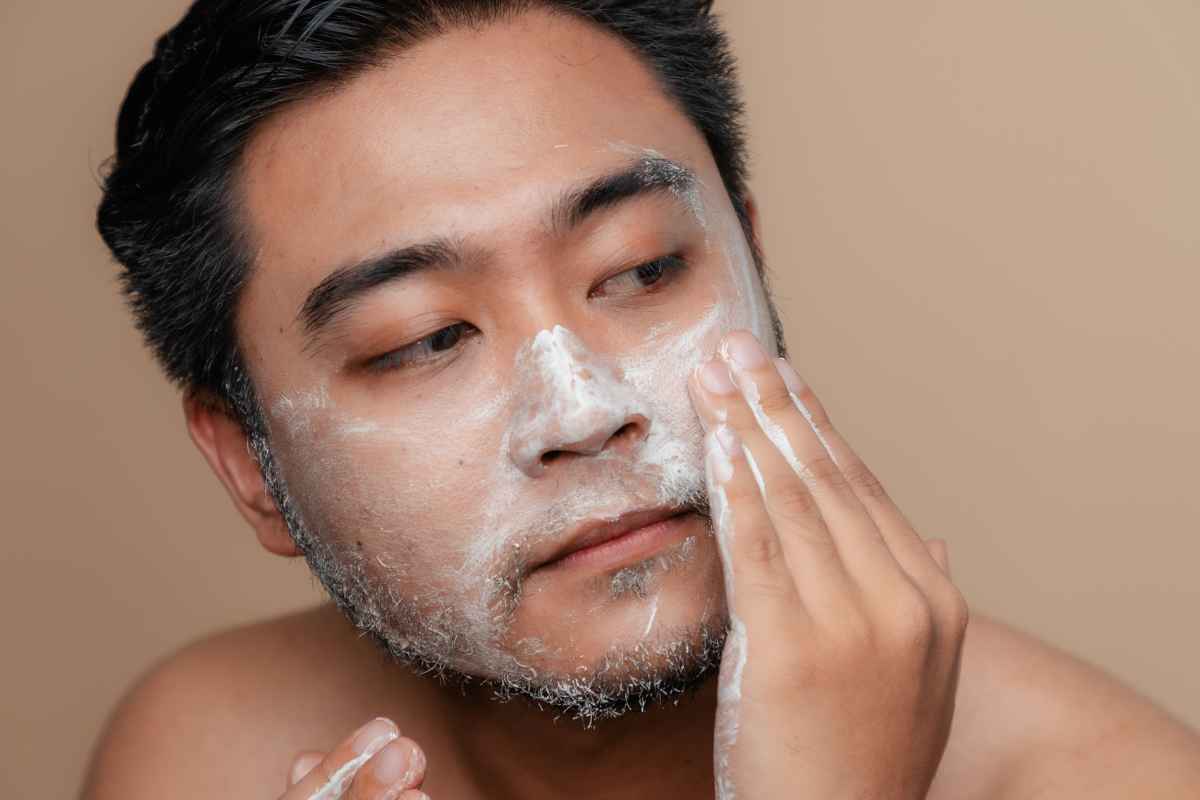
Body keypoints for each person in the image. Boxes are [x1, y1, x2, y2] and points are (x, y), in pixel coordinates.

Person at [82, 1, 1200, 798]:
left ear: (752, 257)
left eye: (642, 269)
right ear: (248, 462)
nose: (580, 409)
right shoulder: (207, 753)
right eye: (426, 338)